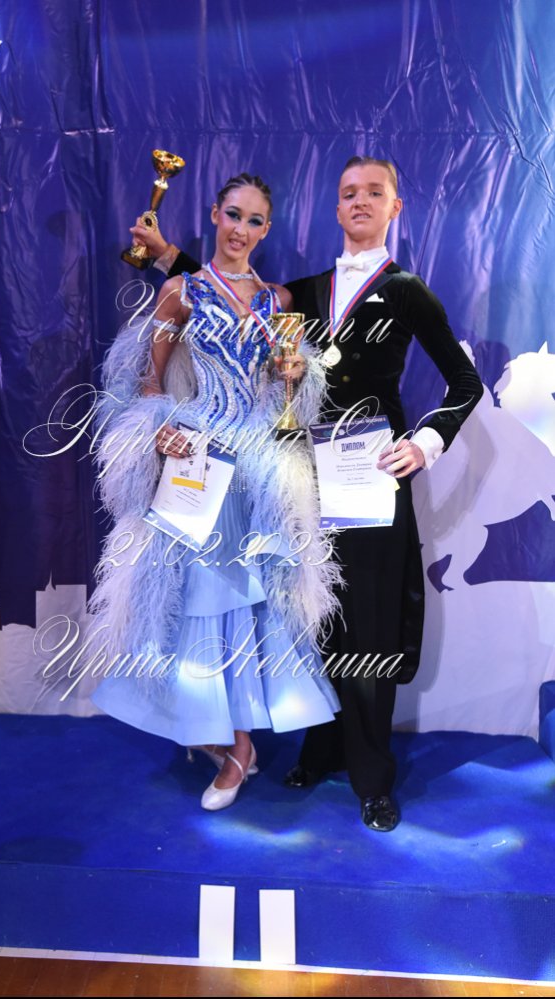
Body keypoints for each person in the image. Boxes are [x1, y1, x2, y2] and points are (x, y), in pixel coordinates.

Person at [134, 156, 483, 830]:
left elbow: (465, 383)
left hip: (374, 477)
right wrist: (168, 257)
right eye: (349, 192)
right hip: (305, 477)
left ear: (395, 207)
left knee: (369, 622)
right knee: (313, 617)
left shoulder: (408, 291)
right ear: (336, 207)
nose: (360, 202)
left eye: (374, 192)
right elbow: (229, 293)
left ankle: (372, 778)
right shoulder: (306, 291)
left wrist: (425, 444)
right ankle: (320, 750)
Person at [89, 173, 342, 811]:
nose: (241, 229)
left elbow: (285, 396)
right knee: (196, 600)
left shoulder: (279, 301)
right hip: (199, 457)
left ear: (266, 230)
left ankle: (237, 747)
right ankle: (225, 738)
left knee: (249, 601)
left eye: (255, 221)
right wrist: (159, 429)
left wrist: (295, 375)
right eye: (233, 215)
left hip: (256, 466)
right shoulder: (182, 292)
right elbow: (149, 384)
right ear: (214, 214)